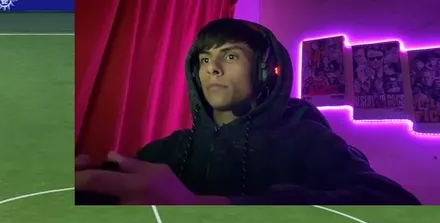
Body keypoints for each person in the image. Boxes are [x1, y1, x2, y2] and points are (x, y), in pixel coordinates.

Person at [76, 19, 419, 206]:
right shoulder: (167, 151)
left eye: (230, 55)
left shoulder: (308, 140)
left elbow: (396, 204)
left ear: (265, 71)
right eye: (205, 59)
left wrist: (208, 207)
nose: (212, 68)